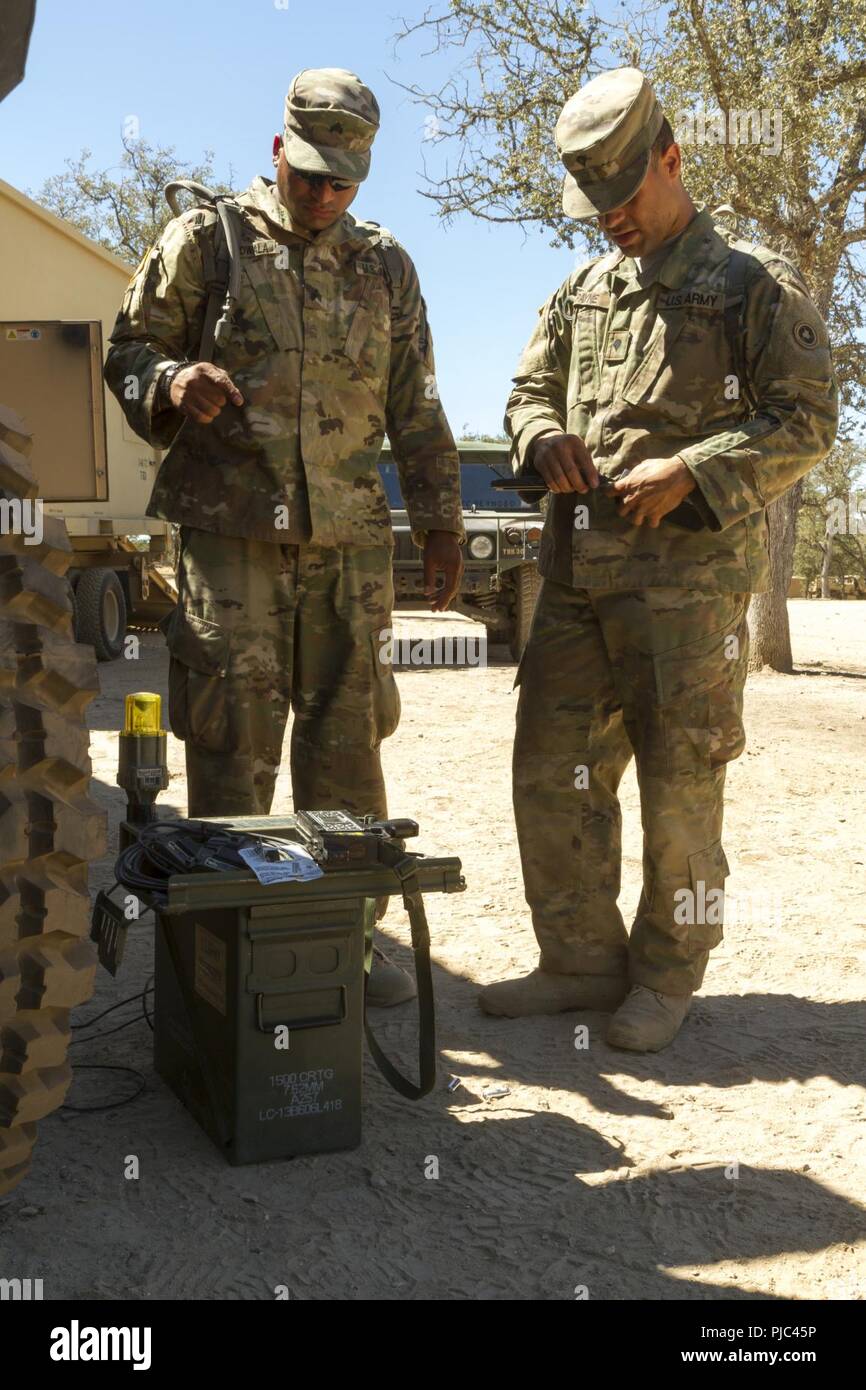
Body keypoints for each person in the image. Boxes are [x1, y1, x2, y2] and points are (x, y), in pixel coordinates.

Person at [479, 67, 838, 1049]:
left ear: (670, 161)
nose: (608, 220)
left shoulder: (751, 288)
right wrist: (539, 435)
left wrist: (693, 471)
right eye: (594, 204)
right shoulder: (580, 293)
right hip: (574, 580)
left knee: (680, 780)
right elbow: (524, 390)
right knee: (552, 772)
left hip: (686, 596)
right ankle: (578, 962)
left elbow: (808, 421)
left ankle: (666, 976)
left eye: (622, 197)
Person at [105, 67, 464, 1006]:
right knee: (234, 743)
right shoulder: (205, 241)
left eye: (342, 182)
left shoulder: (387, 266)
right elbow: (126, 347)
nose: (322, 195)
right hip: (231, 540)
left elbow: (416, 404)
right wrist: (174, 380)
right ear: (278, 150)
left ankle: (343, 940)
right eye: (309, 175)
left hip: (348, 544)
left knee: (349, 744)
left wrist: (439, 522)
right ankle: (228, 950)